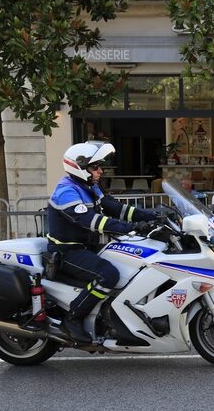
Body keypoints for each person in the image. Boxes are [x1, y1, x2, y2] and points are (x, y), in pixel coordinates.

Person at [47, 141, 157, 343]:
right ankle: (73, 319)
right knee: (109, 274)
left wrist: (152, 215)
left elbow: (114, 207)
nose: (100, 170)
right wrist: (129, 227)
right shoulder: (66, 191)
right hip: (68, 251)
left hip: (88, 247)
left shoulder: (90, 187)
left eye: (99, 166)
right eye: (95, 167)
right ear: (79, 167)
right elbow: (90, 220)